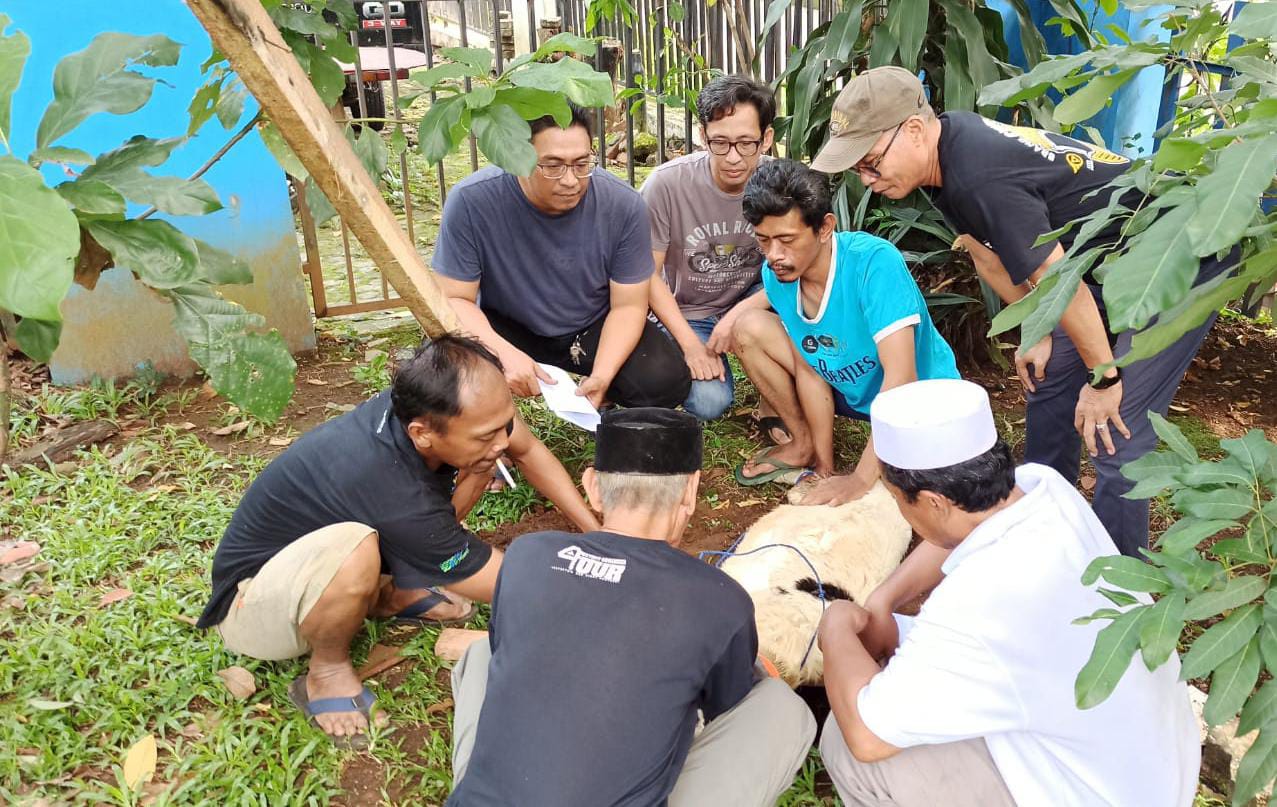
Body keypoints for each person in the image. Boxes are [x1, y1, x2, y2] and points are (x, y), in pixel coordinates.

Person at [810, 65, 1236, 556]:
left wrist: (1104, 379)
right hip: (1101, 263)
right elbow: (987, 251)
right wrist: (1037, 330)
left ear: (912, 130)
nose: (866, 180)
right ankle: (1045, 538)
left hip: (1181, 253)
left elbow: (1059, 281)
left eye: (870, 163)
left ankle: (1120, 597)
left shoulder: (978, 173)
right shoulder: (943, 152)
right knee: (1051, 379)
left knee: (1116, 428)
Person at [195, 336, 598, 747]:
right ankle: (327, 671)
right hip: (254, 605)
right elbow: (498, 581)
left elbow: (527, 450)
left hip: (316, 562)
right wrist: (598, 593)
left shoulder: (433, 410)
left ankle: (389, 595)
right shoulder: (386, 477)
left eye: (504, 424)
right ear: (422, 433)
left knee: (412, 519)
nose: (501, 443)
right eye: (485, 437)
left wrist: (595, 531)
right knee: (355, 549)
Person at [816, 378, 1200, 806]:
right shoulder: (1043, 490)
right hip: (1150, 768)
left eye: (896, 498)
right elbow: (956, 534)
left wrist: (834, 626)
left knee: (847, 741)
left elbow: (868, 737)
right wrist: (884, 599)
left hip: (1091, 792)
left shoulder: (977, 602)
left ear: (933, 502)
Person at [447, 408, 816, 806]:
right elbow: (725, 707)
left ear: (593, 487)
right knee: (781, 707)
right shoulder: (719, 599)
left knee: (483, 653)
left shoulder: (527, 555)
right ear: (690, 493)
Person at [432, 102, 691, 411]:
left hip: (590, 323)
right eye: (552, 166)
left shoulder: (622, 205)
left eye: (582, 164)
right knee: (443, 373)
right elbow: (456, 299)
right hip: (510, 325)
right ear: (520, 157)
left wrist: (602, 376)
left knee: (664, 379)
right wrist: (502, 352)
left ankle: (600, 400)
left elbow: (628, 306)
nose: (570, 180)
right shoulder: (472, 201)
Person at [731, 159, 959, 505]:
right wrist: (825, 470)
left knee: (924, 495)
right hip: (852, 394)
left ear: (824, 228)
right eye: (763, 240)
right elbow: (810, 366)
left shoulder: (874, 264)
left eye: (787, 240)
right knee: (747, 327)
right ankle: (805, 445)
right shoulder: (777, 276)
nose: (774, 255)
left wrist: (859, 479)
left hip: (921, 401)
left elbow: (902, 380)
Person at [641, 74, 774, 421]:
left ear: (767, 139)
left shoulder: (781, 183)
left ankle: (773, 407)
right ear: (703, 136)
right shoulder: (666, 185)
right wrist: (690, 346)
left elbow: (798, 269)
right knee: (709, 402)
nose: (733, 157)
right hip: (689, 311)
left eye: (747, 143)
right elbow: (647, 275)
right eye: (720, 143)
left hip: (753, 301)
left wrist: (735, 318)